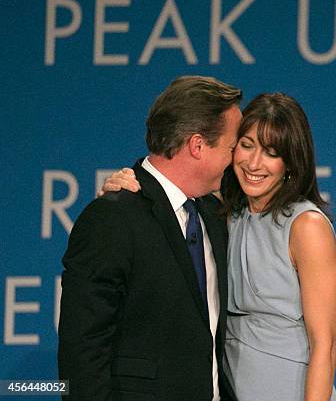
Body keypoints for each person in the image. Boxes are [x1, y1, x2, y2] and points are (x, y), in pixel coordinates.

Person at [102, 93, 336, 400]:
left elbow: (325, 345)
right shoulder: (220, 215)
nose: (254, 163)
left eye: (271, 152)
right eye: (246, 145)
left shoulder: (307, 226)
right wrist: (122, 188)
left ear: (291, 162)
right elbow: (162, 193)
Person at [58, 76, 243, 400]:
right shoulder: (112, 217)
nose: (238, 159)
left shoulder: (214, 214)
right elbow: (82, 350)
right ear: (197, 145)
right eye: (232, 147)